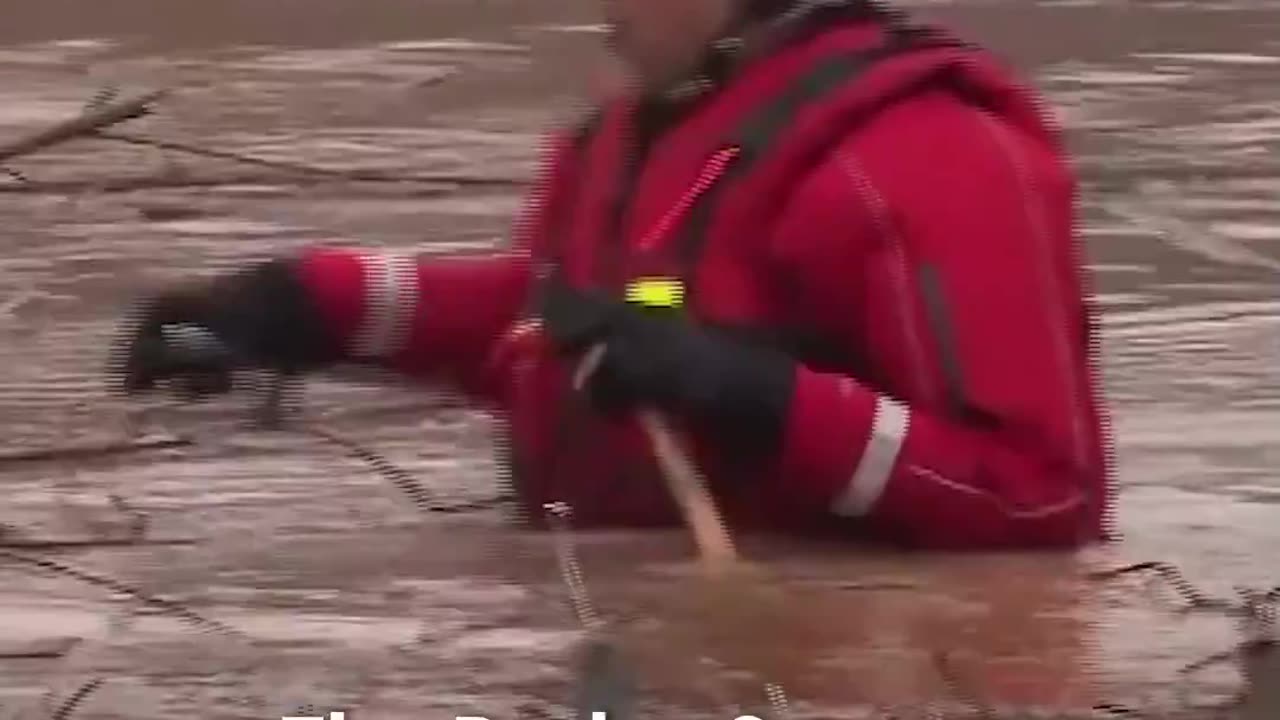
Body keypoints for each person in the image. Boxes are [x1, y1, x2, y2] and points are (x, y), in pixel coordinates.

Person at [111, 0, 1115, 548]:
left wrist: (756, 398)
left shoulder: (932, 154)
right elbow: (564, 322)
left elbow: (1038, 498)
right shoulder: (633, 129)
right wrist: (311, 306)